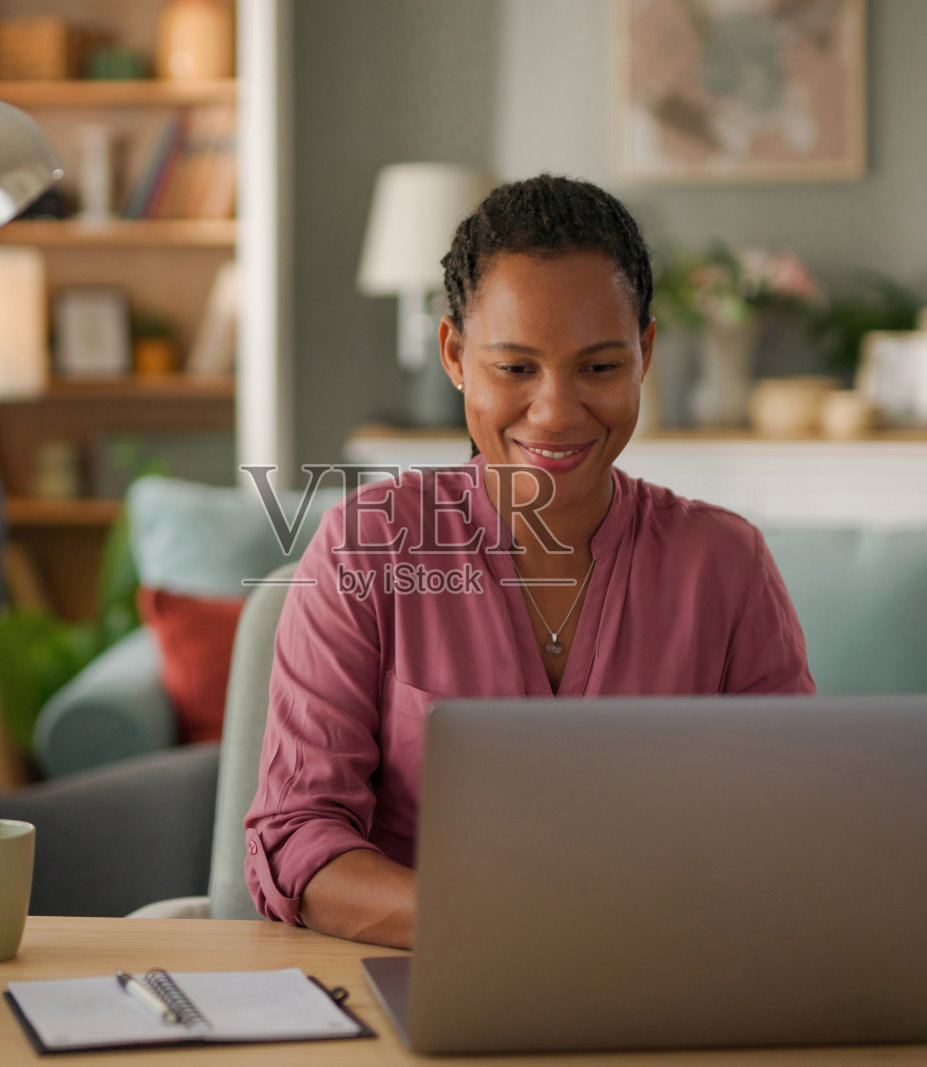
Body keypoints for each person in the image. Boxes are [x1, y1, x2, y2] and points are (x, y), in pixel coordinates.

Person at [243, 175, 814, 949]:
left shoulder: (726, 565)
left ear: (644, 353)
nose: (555, 410)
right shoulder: (365, 547)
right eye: (516, 368)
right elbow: (297, 841)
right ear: (454, 353)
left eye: (600, 368)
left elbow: (792, 833)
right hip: (416, 982)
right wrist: (509, 922)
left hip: (659, 988)